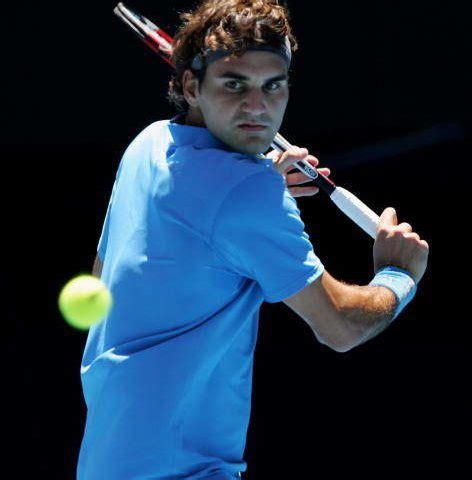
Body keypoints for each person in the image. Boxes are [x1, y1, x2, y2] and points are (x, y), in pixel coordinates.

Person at [77, 0, 429, 479]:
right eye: (234, 84)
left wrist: (256, 189)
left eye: (273, 85)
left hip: (107, 459)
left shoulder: (148, 143)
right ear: (190, 87)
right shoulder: (247, 194)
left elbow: (108, 279)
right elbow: (342, 327)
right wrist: (398, 273)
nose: (258, 107)